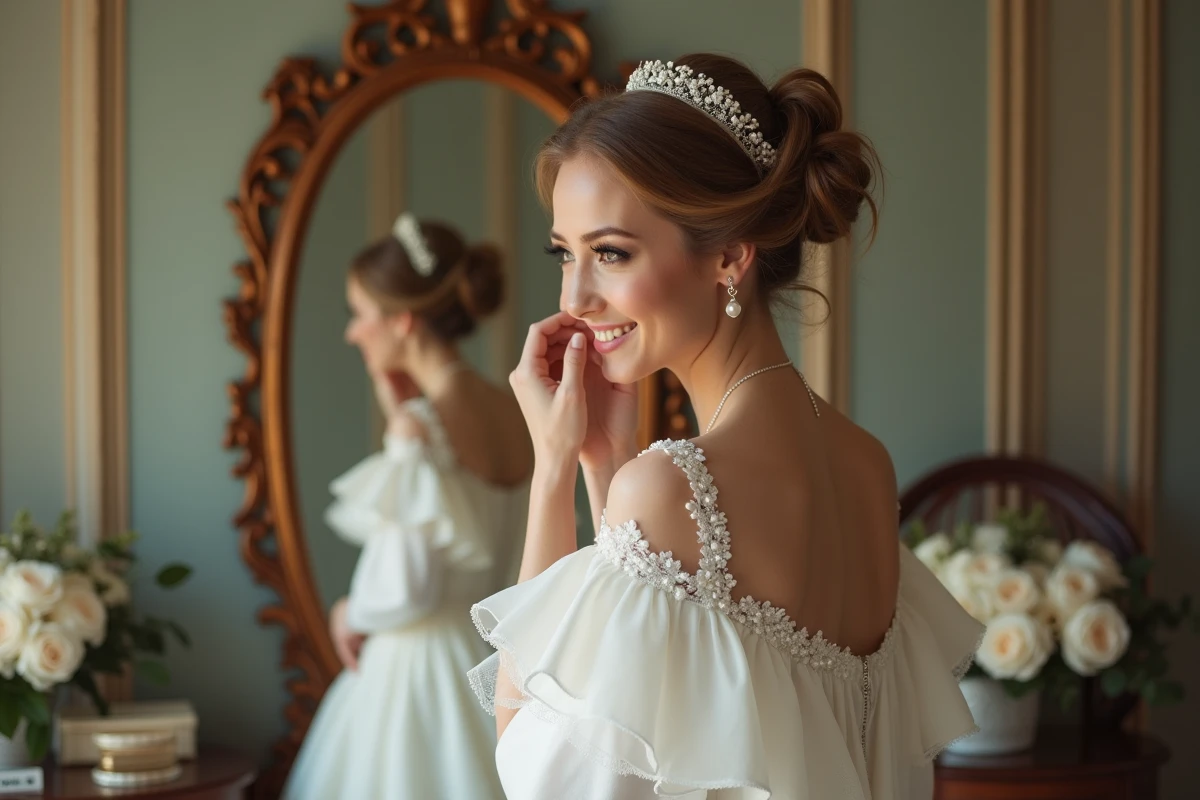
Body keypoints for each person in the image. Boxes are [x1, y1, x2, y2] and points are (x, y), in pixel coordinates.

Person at [467, 55, 983, 799]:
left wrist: (552, 471)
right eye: (565, 254)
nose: (575, 297)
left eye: (611, 254)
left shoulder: (673, 489)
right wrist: (602, 461)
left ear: (730, 257)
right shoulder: (867, 465)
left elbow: (533, 770)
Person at [284, 214, 531, 800]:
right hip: (486, 664)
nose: (352, 333)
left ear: (401, 320)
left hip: (415, 674)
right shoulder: (511, 411)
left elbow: (409, 586)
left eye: (360, 315)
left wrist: (350, 611)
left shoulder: (419, 426)